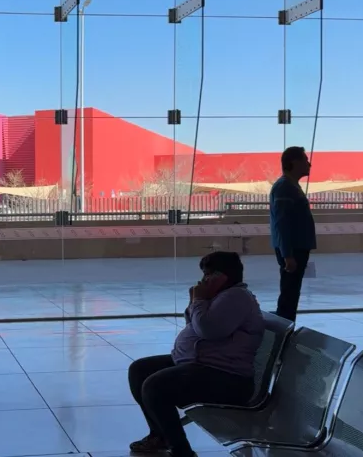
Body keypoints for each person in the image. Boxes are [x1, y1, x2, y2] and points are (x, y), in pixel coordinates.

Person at [127, 251, 264, 457]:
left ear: (222, 277)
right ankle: (160, 435)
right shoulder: (221, 296)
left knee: (156, 386)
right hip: (202, 365)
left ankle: (181, 451)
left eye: (208, 275)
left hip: (227, 377)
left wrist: (199, 299)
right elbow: (193, 324)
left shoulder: (236, 297)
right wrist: (196, 301)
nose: (203, 280)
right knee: (140, 370)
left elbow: (208, 329)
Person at [269, 146, 316, 322]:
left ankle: (286, 326)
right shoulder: (285, 187)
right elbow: (282, 223)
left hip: (296, 247)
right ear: (294, 162)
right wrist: (287, 255)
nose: (309, 164)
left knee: (291, 292)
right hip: (293, 249)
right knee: (289, 294)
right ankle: (284, 327)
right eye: (305, 160)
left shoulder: (290, 186)